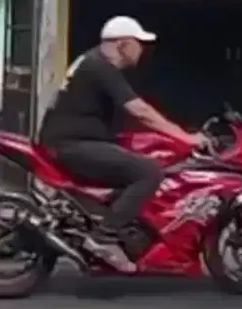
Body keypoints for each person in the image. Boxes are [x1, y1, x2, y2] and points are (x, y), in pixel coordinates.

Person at [38, 16, 209, 272]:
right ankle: (104, 237)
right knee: (149, 172)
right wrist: (186, 137)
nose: (143, 50)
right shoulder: (100, 67)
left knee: (137, 158)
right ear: (124, 44)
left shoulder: (93, 61)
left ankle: (122, 226)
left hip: (73, 140)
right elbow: (140, 110)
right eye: (139, 44)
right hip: (72, 145)